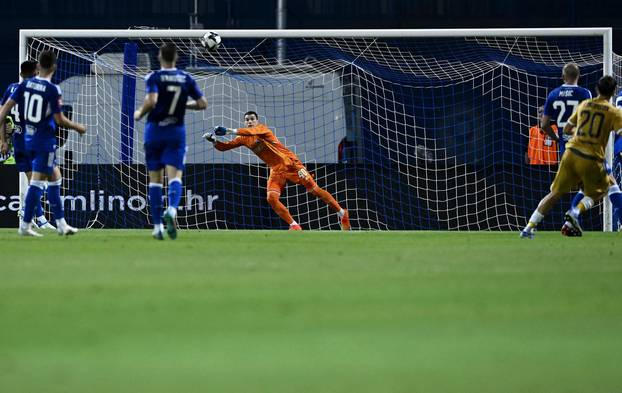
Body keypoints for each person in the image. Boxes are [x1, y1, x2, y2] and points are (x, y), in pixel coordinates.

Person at [204, 111, 351, 230]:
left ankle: (342, 213)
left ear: (257, 121)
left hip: (291, 164)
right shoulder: (243, 138)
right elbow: (225, 147)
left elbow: (250, 132)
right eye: (247, 119)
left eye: (252, 119)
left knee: (314, 190)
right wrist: (214, 141)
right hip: (276, 170)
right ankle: (294, 225)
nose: (249, 121)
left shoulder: (262, 129)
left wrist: (229, 130)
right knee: (271, 198)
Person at [520, 75, 622, 238]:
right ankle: (574, 212)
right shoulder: (613, 112)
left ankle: (529, 227)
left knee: (555, 193)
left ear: (597, 89)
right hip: (591, 155)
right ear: (613, 92)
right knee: (605, 187)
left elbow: (567, 129)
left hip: (569, 152)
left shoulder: (584, 106)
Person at [0, 51, 86, 236]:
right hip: (43, 141)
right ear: (53, 67)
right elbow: (59, 119)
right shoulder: (52, 89)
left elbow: (5, 109)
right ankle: (26, 224)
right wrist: (77, 126)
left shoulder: (24, 85)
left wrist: (3, 139)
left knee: (54, 177)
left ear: (40, 66)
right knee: (37, 183)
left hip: (26, 139)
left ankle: (59, 224)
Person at [134, 43, 208, 240]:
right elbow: (202, 104)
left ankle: (157, 227)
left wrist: (139, 113)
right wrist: (185, 105)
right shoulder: (186, 78)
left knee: (155, 181)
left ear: (160, 57)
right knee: (175, 178)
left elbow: (151, 100)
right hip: (175, 132)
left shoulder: (153, 77)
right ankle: (173, 210)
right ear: (176, 57)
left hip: (154, 132)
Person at [0, 60, 54, 229]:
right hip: (32, 143)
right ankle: (32, 214)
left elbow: (2, 116)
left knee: (37, 181)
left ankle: (33, 214)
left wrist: (3, 141)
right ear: (35, 72)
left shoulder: (11, 88)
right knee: (38, 181)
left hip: (20, 142)